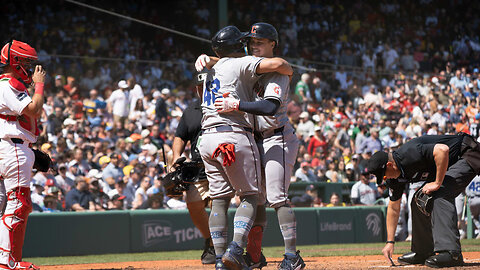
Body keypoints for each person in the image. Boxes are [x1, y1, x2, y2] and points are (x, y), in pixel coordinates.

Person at [200, 22, 305, 269]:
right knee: (255, 198)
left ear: (273, 44)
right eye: (250, 42)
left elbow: (269, 107)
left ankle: (292, 256)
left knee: (277, 197)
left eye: (259, 41)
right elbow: (228, 63)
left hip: (276, 137)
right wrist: (209, 59)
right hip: (252, 137)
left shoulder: (277, 71)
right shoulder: (246, 65)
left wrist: (237, 105)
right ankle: (254, 255)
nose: (253, 45)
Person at [365, 133, 480, 268]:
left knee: (440, 192)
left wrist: (437, 182)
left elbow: (442, 150)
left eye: (383, 175)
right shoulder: (395, 177)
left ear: (390, 165)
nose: (385, 179)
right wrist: (390, 242)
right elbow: (393, 207)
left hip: (467, 153)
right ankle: (423, 252)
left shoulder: (408, 154)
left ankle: (451, 253)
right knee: (419, 200)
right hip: (450, 163)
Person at [0, 40, 45, 270]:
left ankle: (7, 261)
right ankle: (7, 262)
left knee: (5, 205)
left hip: (11, 146)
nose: (30, 68)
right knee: (19, 203)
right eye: (27, 62)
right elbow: (34, 109)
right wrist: (39, 86)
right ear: (15, 62)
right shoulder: (9, 84)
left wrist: (31, 151)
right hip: (11, 147)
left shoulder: (8, 84)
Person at [171, 92, 215, 264]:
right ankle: (211, 241)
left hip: (224, 165)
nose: (202, 88)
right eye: (199, 85)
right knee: (193, 204)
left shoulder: (225, 103)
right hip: (198, 168)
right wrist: (176, 156)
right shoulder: (191, 110)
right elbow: (180, 136)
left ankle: (235, 247)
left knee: (219, 205)